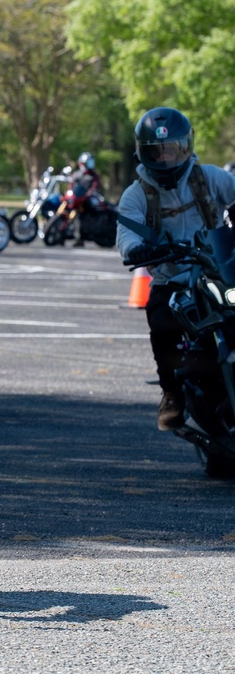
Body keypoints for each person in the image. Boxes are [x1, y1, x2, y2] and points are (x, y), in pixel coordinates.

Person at [116, 107, 235, 431]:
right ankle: (171, 394)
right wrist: (136, 248)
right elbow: (126, 229)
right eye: (157, 150)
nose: (166, 157)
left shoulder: (211, 177)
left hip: (217, 268)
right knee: (160, 321)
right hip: (173, 277)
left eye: (172, 149)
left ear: (186, 146)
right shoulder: (136, 193)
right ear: (144, 152)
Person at [69, 151, 102, 247]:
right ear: (82, 163)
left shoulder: (94, 176)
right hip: (76, 199)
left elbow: (95, 188)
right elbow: (71, 186)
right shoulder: (76, 174)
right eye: (89, 162)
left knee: (81, 216)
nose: (90, 165)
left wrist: (88, 194)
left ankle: (80, 238)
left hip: (86, 201)